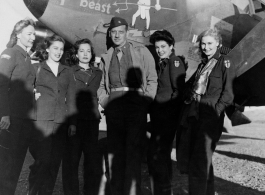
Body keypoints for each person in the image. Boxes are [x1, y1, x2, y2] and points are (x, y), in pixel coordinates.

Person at [97, 16, 157, 195]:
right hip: (114, 106)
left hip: (135, 105)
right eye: (113, 32)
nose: (116, 35)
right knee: (115, 154)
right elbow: (101, 85)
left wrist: (145, 102)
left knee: (133, 153)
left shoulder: (141, 50)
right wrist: (106, 102)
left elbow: (151, 78)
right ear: (110, 33)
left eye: (120, 32)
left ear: (127, 32)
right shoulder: (106, 56)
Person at [177, 27, 235, 195]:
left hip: (209, 119)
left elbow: (228, 94)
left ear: (218, 44)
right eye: (203, 43)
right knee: (203, 163)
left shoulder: (224, 62)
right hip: (195, 116)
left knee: (198, 164)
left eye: (210, 43)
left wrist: (215, 113)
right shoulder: (202, 64)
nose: (206, 47)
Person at [27, 35, 76, 195]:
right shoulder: (36, 68)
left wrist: (73, 122)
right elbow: (25, 91)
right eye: (55, 48)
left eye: (61, 49)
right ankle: (33, 192)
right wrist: (32, 96)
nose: (59, 52)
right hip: (40, 122)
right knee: (42, 161)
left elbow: (71, 98)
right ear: (47, 48)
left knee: (54, 164)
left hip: (60, 123)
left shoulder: (67, 71)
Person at [0, 18, 36, 195]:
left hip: (25, 121)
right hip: (11, 120)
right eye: (29, 34)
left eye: (34, 34)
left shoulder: (27, 57)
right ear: (18, 34)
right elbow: (1, 85)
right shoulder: (10, 53)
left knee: (16, 166)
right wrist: (4, 114)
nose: (32, 37)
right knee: (6, 167)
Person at [62, 38, 103, 195]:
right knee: (71, 162)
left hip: (92, 122)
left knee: (91, 162)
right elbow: (68, 97)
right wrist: (72, 122)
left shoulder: (98, 73)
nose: (85, 54)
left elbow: (104, 91)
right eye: (82, 51)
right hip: (74, 122)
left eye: (88, 51)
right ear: (76, 54)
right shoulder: (69, 71)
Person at [147, 30, 186, 195]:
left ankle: (163, 191)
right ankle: (163, 191)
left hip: (166, 119)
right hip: (159, 118)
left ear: (171, 46)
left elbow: (178, 92)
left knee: (159, 155)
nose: (160, 50)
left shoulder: (174, 61)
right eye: (157, 47)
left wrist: (169, 117)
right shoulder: (163, 63)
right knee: (159, 156)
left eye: (163, 46)